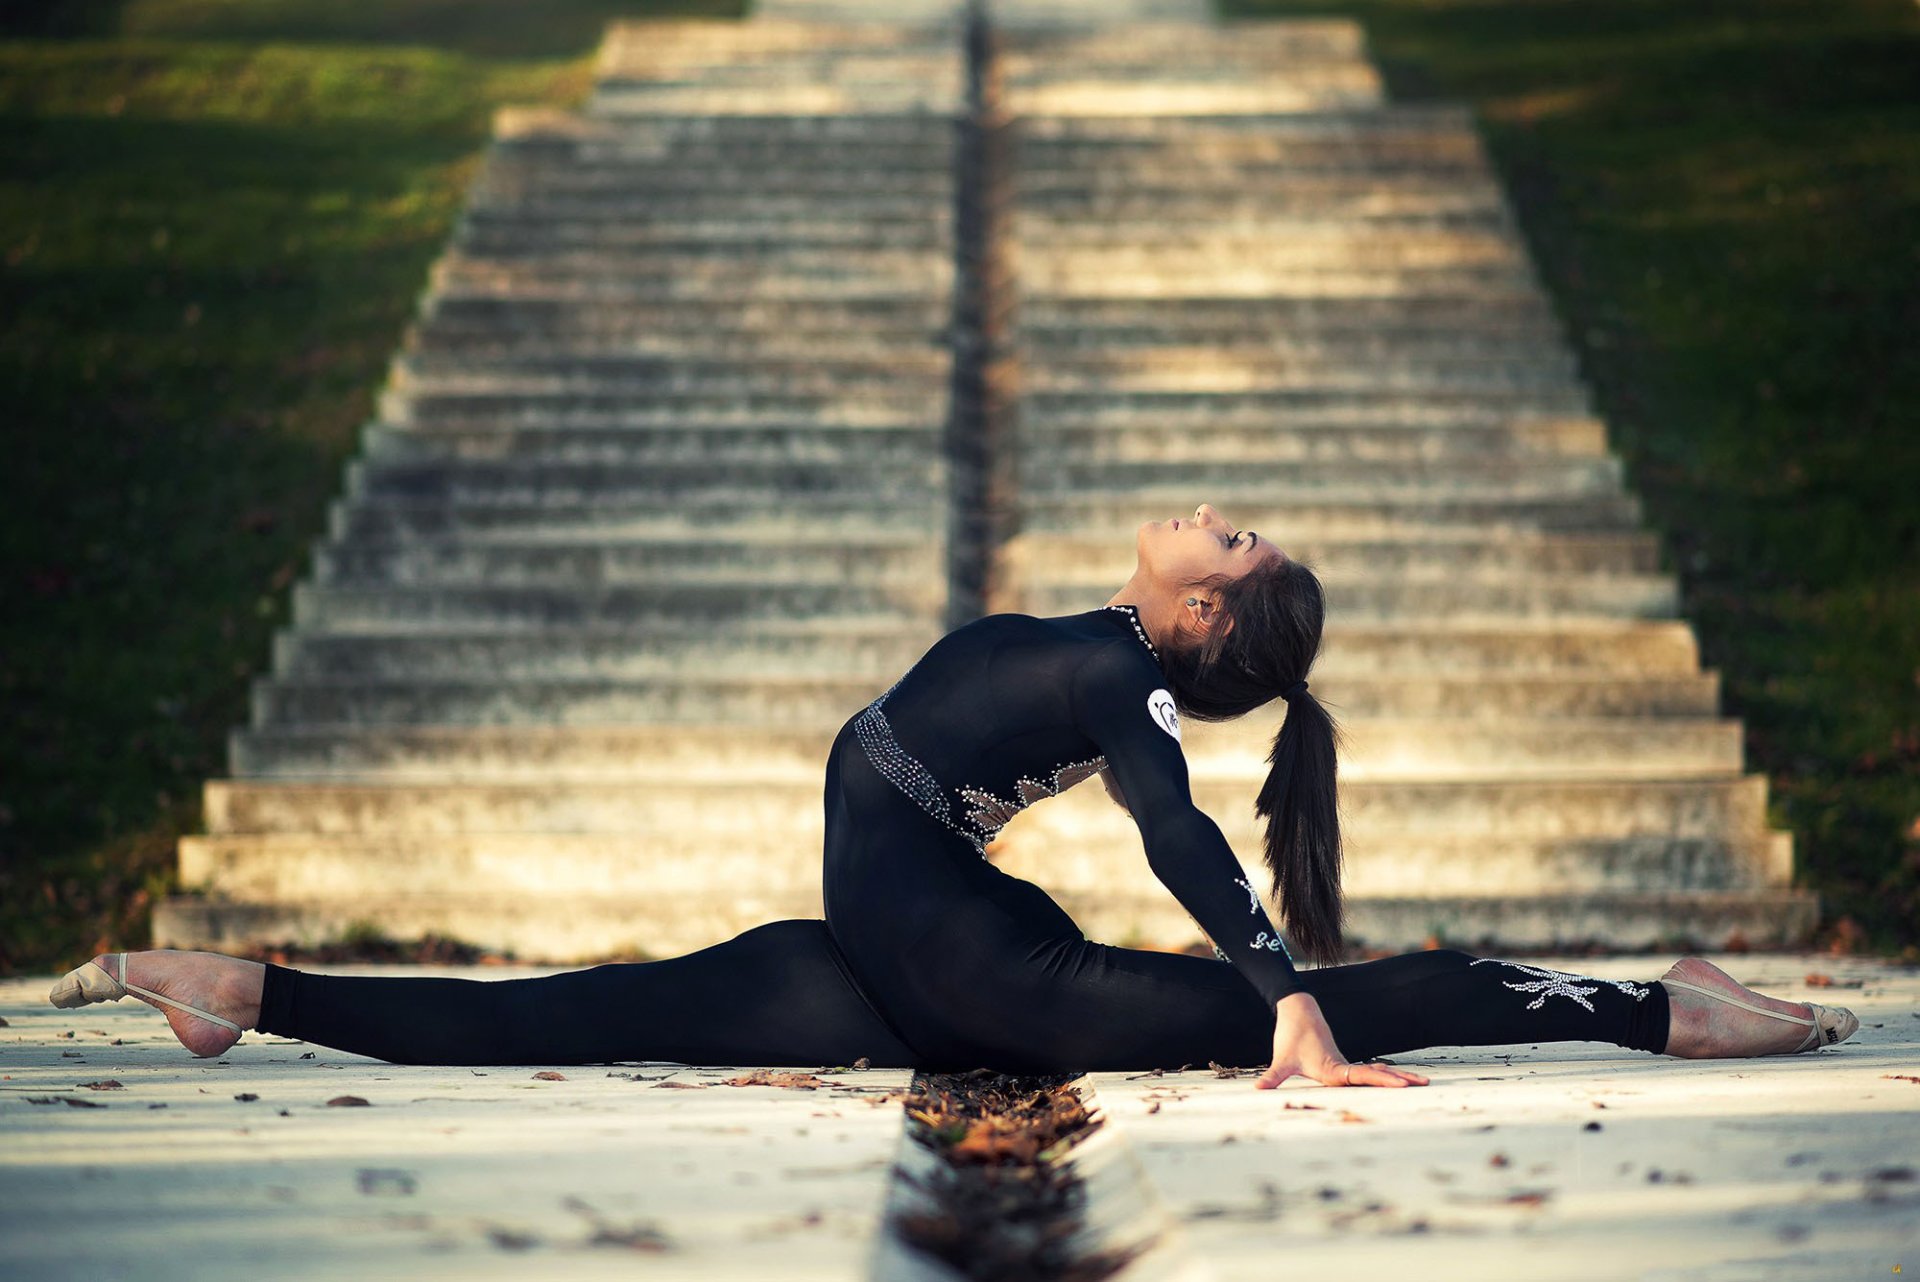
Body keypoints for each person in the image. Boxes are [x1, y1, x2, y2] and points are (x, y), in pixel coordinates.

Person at [51, 504, 1858, 1086]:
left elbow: (1169, 824)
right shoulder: (1118, 651)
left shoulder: (1119, 676)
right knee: (568, 1013)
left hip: (969, 974)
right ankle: (246, 993)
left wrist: (1288, 999)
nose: (1212, 511)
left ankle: (1658, 1005)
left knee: (1375, 995)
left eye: (1231, 536)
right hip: (907, 952)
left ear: (1199, 607)